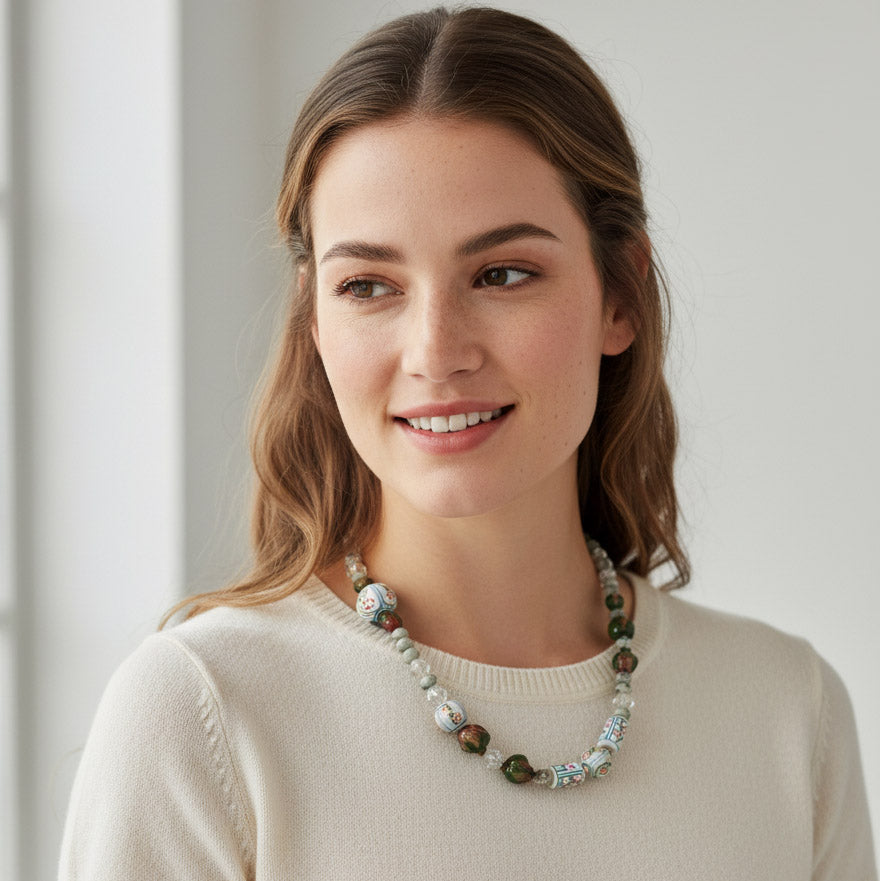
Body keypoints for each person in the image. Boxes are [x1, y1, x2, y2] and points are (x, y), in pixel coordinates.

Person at [58, 6, 876, 879]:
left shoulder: (787, 712)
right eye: (369, 285)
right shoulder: (203, 714)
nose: (436, 352)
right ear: (314, 320)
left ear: (620, 296)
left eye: (502, 274)